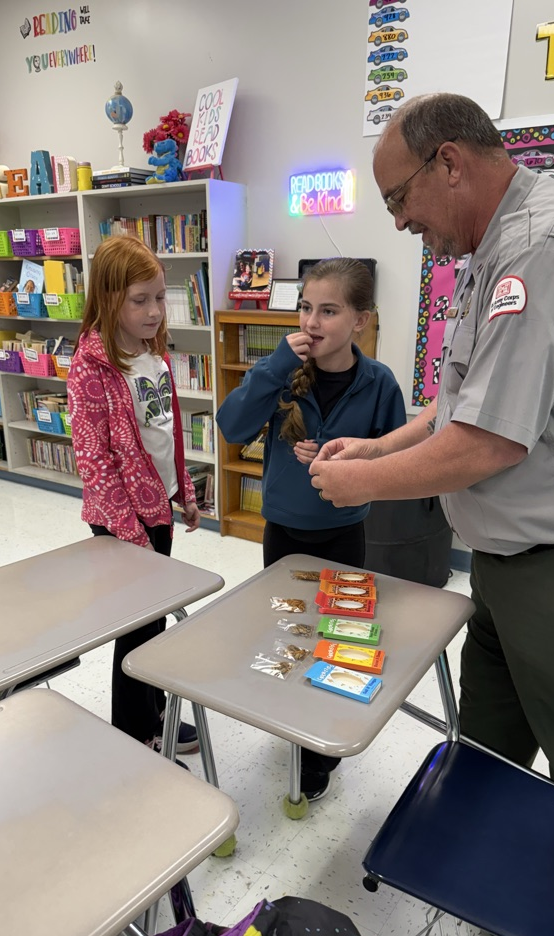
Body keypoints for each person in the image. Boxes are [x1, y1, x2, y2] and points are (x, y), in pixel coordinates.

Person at [308, 93, 554, 843]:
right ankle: (491, 885)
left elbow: (489, 443)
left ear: (451, 163)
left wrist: (358, 485)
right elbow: (462, 400)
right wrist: (378, 447)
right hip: (508, 563)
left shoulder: (542, 251)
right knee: (490, 744)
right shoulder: (486, 248)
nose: (398, 222)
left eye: (399, 198)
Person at [217, 257, 407, 801]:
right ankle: (288, 722)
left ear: (361, 321)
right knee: (286, 634)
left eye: (329, 310)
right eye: (305, 307)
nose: (313, 321)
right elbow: (231, 426)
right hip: (283, 534)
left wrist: (350, 465)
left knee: (338, 639)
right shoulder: (281, 370)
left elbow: (395, 460)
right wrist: (273, 367)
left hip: (343, 534)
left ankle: (322, 747)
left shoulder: (378, 383)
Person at [67, 235, 201, 757]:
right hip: (124, 522)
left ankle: (156, 712)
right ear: (108, 299)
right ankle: (135, 733)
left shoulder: (152, 353)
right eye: (139, 299)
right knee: (137, 628)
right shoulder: (91, 368)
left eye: (160, 296)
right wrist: (131, 536)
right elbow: (95, 462)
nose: (153, 310)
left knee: (155, 619)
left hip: (157, 508)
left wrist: (184, 492)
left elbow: (167, 432)